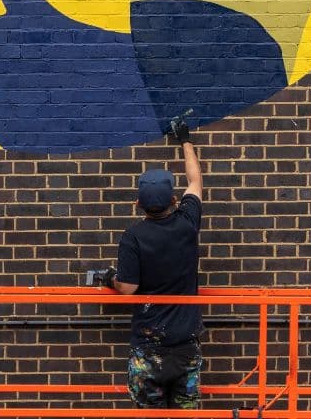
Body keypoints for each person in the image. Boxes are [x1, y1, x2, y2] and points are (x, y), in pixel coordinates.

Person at [103, 125, 204, 409]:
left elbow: (128, 289)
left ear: (138, 203)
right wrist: (185, 140)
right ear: (174, 200)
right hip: (185, 345)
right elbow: (195, 181)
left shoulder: (133, 236)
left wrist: (110, 279)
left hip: (148, 349)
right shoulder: (188, 223)